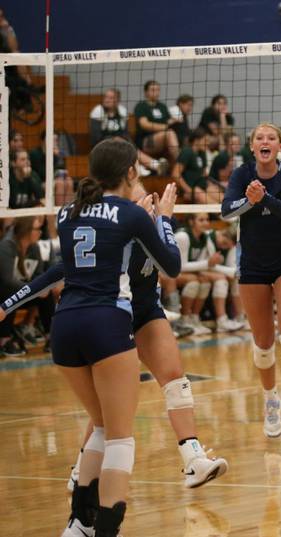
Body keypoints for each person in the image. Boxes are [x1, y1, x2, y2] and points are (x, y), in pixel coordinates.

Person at [0, 138, 182, 536]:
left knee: (99, 426)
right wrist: (162, 219)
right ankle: (104, 530)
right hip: (106, 322)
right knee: (119, 437)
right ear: (131, 172)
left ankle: (78, 525)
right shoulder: (132, 215)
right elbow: (171, 266)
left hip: (64, 328)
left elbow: (58, 273)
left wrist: (8, 304)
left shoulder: (68, 213)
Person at [1, 183, 228, 494]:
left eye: (151, 197)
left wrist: (163, 220)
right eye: (141, 198)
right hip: (112, 315)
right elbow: (57, 271)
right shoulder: (115, 235)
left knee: (176, 379)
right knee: (109, 408)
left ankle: (194, 459)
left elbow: (171, 264)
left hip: (146, 311)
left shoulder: (156, 225)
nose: (150, 201)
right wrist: (8, 304)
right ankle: (82, 470)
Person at [221, 123, 281, 436]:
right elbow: (226, 212)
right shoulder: (241, 174)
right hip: (252, 261)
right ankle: (271, 402)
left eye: (270, 138)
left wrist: (261, 198)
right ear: (252, 146)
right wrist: (249, 200)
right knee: (262, 343)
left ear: (279, 145)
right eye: (259, 138)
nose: (265, 141)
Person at [173, 213, 243, 333]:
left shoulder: (203, 237)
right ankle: (185, 320)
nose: (206, 223)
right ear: (191, 222)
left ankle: (194, 319)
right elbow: (180, 266)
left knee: (208, 281)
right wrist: (209, 264)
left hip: (193, 271)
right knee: (208, 281)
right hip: (171, 272)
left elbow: (232, 271)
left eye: (207, 220)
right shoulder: (183, 236)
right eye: (201, 220)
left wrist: (209, 265)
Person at [0, 216, 49, 357]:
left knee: (47, 292)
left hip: (23, 291)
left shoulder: (34, 248)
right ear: (27, 230)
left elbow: (39, 274)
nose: (40, 233)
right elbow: (7, 280)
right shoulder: (6, 246)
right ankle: (4, 339)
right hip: (7, 292)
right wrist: (32, 289)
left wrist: (41, 288)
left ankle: (50, 336)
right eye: (37, 229)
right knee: (10, 294)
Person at [134, 80, 180, 168]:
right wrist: (165, 127)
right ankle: (180, 163)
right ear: (146, 92)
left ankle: (177, 165)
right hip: (146, 141)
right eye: (153, 90)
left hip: (163, 139)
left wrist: (175, 120)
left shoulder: (162, 106)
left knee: (174, 134)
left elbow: (168, 122)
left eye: (158, 90)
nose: (156, 92)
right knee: (169, 133)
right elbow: (145, 124)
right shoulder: (141, 106)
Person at [173, 129, 224, 204]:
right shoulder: (187, 152)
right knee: (208, 200)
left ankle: (229, 212)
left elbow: (203, 174)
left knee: (222, 198)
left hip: (202, 185)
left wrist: (211, 183)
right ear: (197, 141)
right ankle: (221, 214)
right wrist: (188, 190)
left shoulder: (202, 153)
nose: (208, 143)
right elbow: (175, 174)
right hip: (192, 188)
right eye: (205, 140)